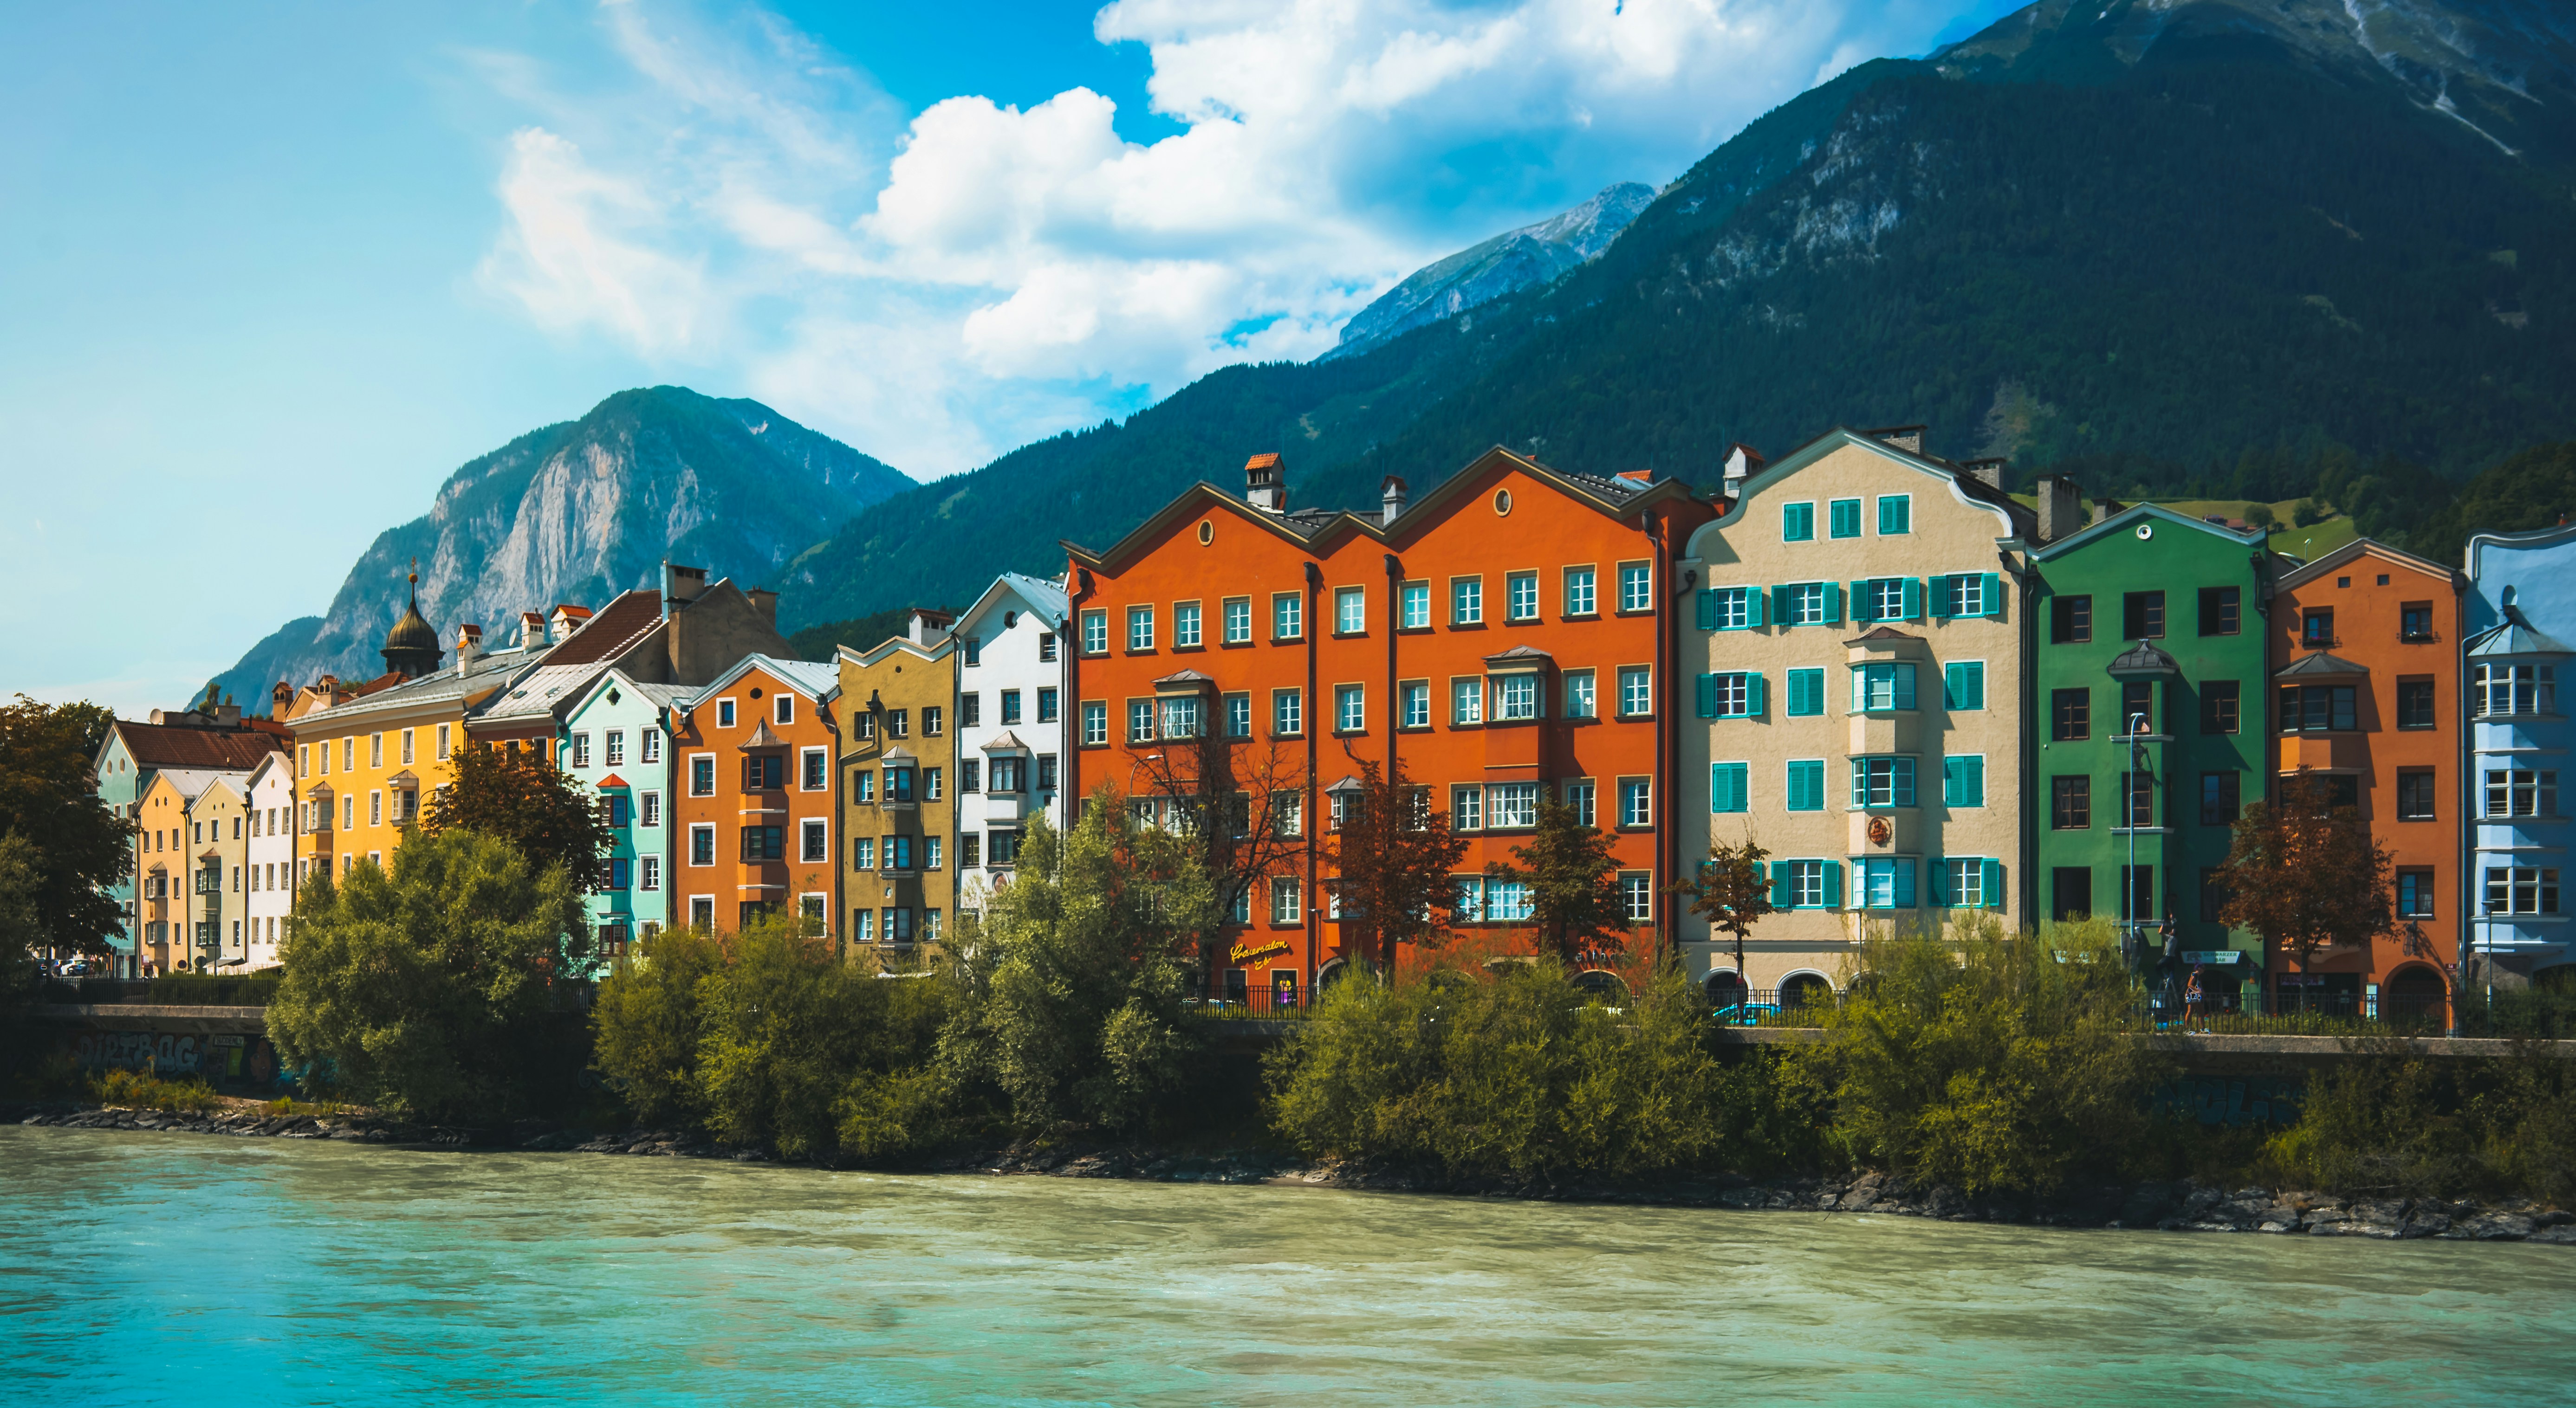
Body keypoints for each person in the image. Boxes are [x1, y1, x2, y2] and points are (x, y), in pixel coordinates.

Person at [2183, 964, 2208, 1034]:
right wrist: (2197, 990)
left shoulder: (2199, 977)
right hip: (2191, 995)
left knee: (2198, 1011)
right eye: (2203, 968)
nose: (2204, 970)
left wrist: (2205, 995)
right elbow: (2190, 985)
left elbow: (2201, 988)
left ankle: (2200, 1029)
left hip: (2195, 996)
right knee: (2197, 1011)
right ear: (2199, 968)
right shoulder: (2195, 975)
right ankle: (2187, 1029)